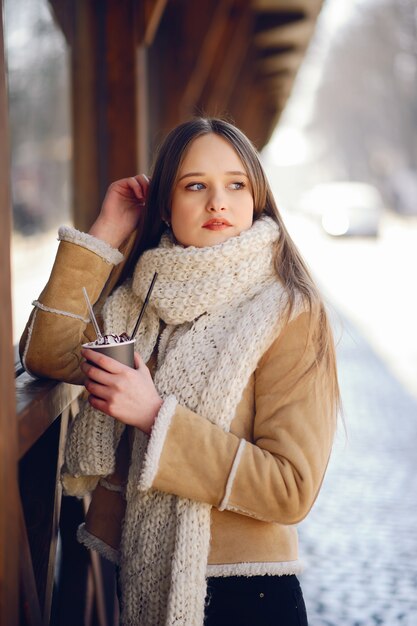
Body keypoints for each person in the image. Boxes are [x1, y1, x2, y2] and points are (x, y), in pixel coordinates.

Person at [20, 117, 339, 626]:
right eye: (196, 186)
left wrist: (154, 416)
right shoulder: (138, 304)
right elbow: (45, 353)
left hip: (251, 599)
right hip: (142, 580)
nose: (218, 202)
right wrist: (104, 233)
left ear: (256, 197)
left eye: (236, 184)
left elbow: (291, 487)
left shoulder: (289, 312)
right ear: (166, 207)